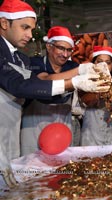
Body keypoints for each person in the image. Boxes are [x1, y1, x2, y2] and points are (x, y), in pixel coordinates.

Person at [0, 0, 103, 188]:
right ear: (5, 23)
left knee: (16, 176)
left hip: (11, 126)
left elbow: (35, 86)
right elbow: (19, 85)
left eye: (31, 29)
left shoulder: (20, 58)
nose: (30, 35)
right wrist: (75, 79)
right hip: (13, 125)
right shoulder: (21, 58)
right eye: (24, 28)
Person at [20, 26, 80, 156]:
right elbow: (44, 81)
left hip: (62, 122)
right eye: (61, 48)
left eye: (69, 50)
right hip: (35, 123)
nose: (65, 54)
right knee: (33, 164)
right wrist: (79, 72)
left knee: (62, 164)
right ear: (48, 46)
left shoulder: (72, 66)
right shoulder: (35, 62)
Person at [80, 46, 112, 145]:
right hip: (92, 127)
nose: (103, 65)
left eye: (108, 63)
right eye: (99, 61)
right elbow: (85, 100)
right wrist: (100, 93)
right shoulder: (84, 81)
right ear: (94, 64)